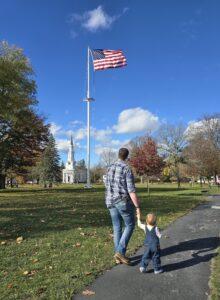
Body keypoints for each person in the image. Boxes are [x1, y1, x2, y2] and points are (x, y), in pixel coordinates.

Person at [104, 148, 141, 265]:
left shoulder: (109, 167)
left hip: (110, 201)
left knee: (117, 227)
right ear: (127, 156)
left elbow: (106, 184)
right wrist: (137, 206)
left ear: (118, 155)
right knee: (130, 225)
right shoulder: (126, 168)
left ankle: (117, 256)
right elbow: (131, 190)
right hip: (122, 201)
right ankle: (120, 252)